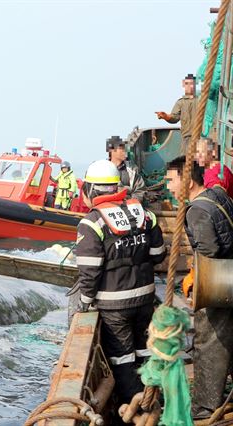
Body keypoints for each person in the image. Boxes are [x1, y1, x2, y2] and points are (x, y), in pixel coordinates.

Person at [74, 159, 166, 405]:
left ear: (91, 189)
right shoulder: (144, 214)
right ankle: (155, 398)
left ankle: (136, 408)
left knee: (123, 359)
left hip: (114, 306)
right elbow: (158, 254)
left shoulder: (92, 222)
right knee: (144, 351)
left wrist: (84, 301)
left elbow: (90, 271)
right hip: (145, 298)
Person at [165, 157, 233, 420]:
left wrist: (194, 278)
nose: (169, 187)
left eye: (172, 180)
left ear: (188, 180)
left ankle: (204, 407)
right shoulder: (218, 195)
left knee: (209, 341)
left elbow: (209, 251)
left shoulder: (196, 210)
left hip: (221, 283)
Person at [156, 74, 198, 150]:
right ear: (183, 84)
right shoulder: (180, 102)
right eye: (187, 84)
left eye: (192, 84)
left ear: (195, 85)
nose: (189, 86)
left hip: (201, 138)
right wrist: (165, 116)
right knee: (187, 159)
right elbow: (174, 118)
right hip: (186, 138)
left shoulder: (202, 100)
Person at [106, 136, 146, 202]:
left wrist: (129, 203)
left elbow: (140, 191)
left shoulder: (132, 170)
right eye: (121, 148)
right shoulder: (102, 169)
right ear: (111, 150)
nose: (125, 151)